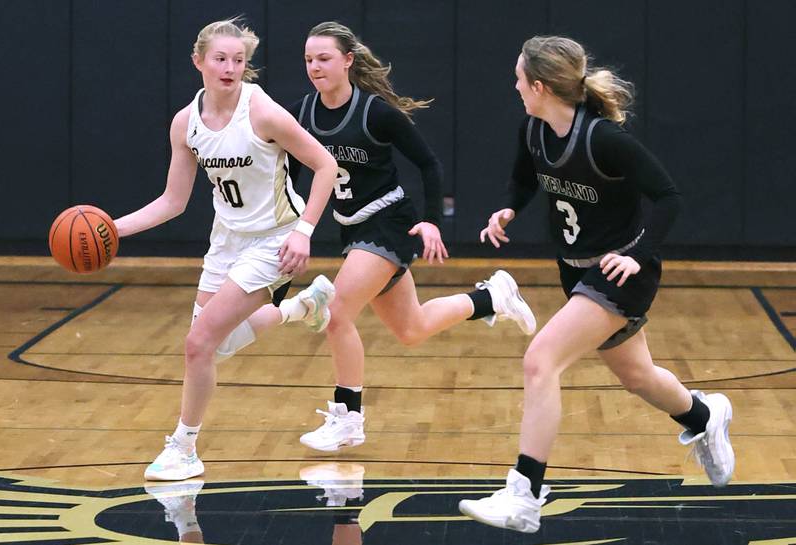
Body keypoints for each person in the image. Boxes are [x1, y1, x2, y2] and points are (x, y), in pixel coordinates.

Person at [458, 36, 735, 533]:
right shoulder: (535, 130)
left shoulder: (605, 139)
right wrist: (508, 209)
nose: (515, 86)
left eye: (519, 78)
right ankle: (703, 417)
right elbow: (524, 181)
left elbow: (669, 198)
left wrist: (639, 255)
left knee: (540, 360)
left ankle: (525, 494)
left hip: (620, 271)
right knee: (638, 376)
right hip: (576, 269)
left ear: (539, 85)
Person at [256, 21, 537, 452]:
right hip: (351, 228)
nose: (315, 66)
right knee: (412, 328)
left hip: (389, 223)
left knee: (335, 312)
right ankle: (491, 298)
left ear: (348, 61)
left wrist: (430, 221)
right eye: (309, 59)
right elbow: (289, 173)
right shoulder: (300, 114)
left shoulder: (375, 113)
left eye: (324, 58)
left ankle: (349, 416)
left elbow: (429, 164)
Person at [113, 18, 339, 481]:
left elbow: (325, 165)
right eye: (220, 58)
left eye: (239, 60)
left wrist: (305, 231)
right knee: (217, 346)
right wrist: (111, 230)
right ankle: (302, 308)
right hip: (227, 242)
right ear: (198, 61)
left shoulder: (264, 113)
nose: (230, 67)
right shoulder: (186, 122)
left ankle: (185, 447)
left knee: (198, 344)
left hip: (276, 238)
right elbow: (172, 202)